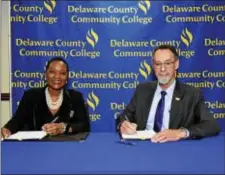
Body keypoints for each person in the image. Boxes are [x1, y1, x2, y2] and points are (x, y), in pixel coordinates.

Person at [116, 44, 220, 143]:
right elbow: (123, 117)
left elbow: (211, 125)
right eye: (158, 64)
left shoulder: (191, 94)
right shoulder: (142, 90)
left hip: (175, 150)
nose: (162, 69)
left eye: (168, 63)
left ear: (176, 64)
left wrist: (180, 133)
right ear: (153, 65)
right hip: (144, 148)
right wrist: (123, 125)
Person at [1, 57, 90, 138]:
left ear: (67, 77)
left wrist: (62, 127)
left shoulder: (75, 97)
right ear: (45, 74)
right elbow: (16, 121)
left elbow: (84, 126)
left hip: (65, 148)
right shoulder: (31, 96)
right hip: (36, 149)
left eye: (62, 73)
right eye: (52, 72)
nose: (57, 76)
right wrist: (7, 129)